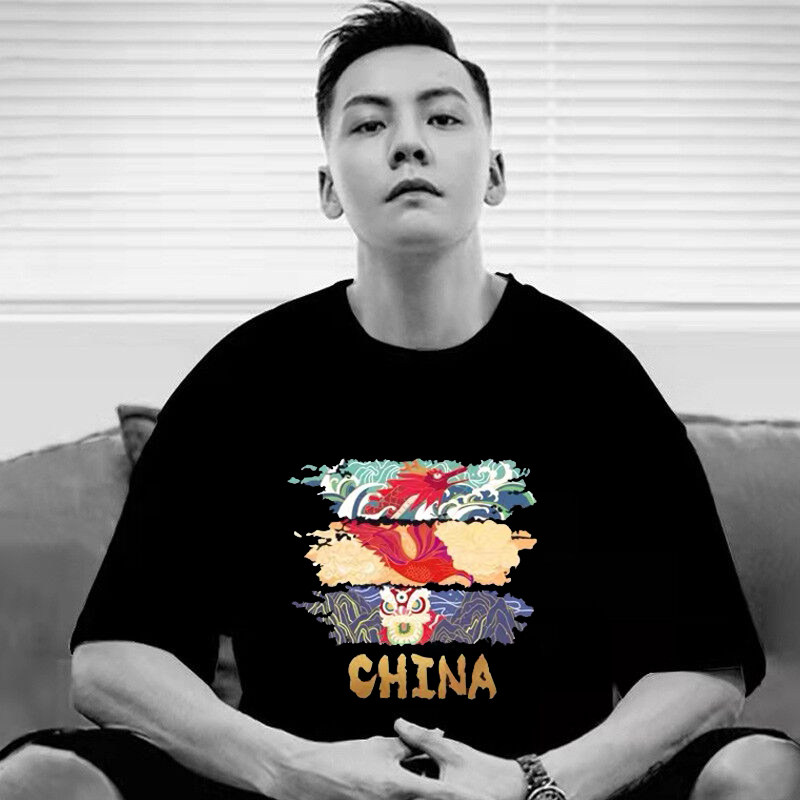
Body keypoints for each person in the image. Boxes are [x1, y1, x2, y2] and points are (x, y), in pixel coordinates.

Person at [1, 2, 799, 799]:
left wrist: (534, 784)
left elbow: (705, 669)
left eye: (443, 118)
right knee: (41, 778)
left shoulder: (595, 379)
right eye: (369, 124)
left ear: (494, 175)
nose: (408, 142)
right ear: (329, 188)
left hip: (544, 791)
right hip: (297, 789)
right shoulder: (243, 381)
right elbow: (111, 661)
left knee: (763, 772)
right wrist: (291, 768)